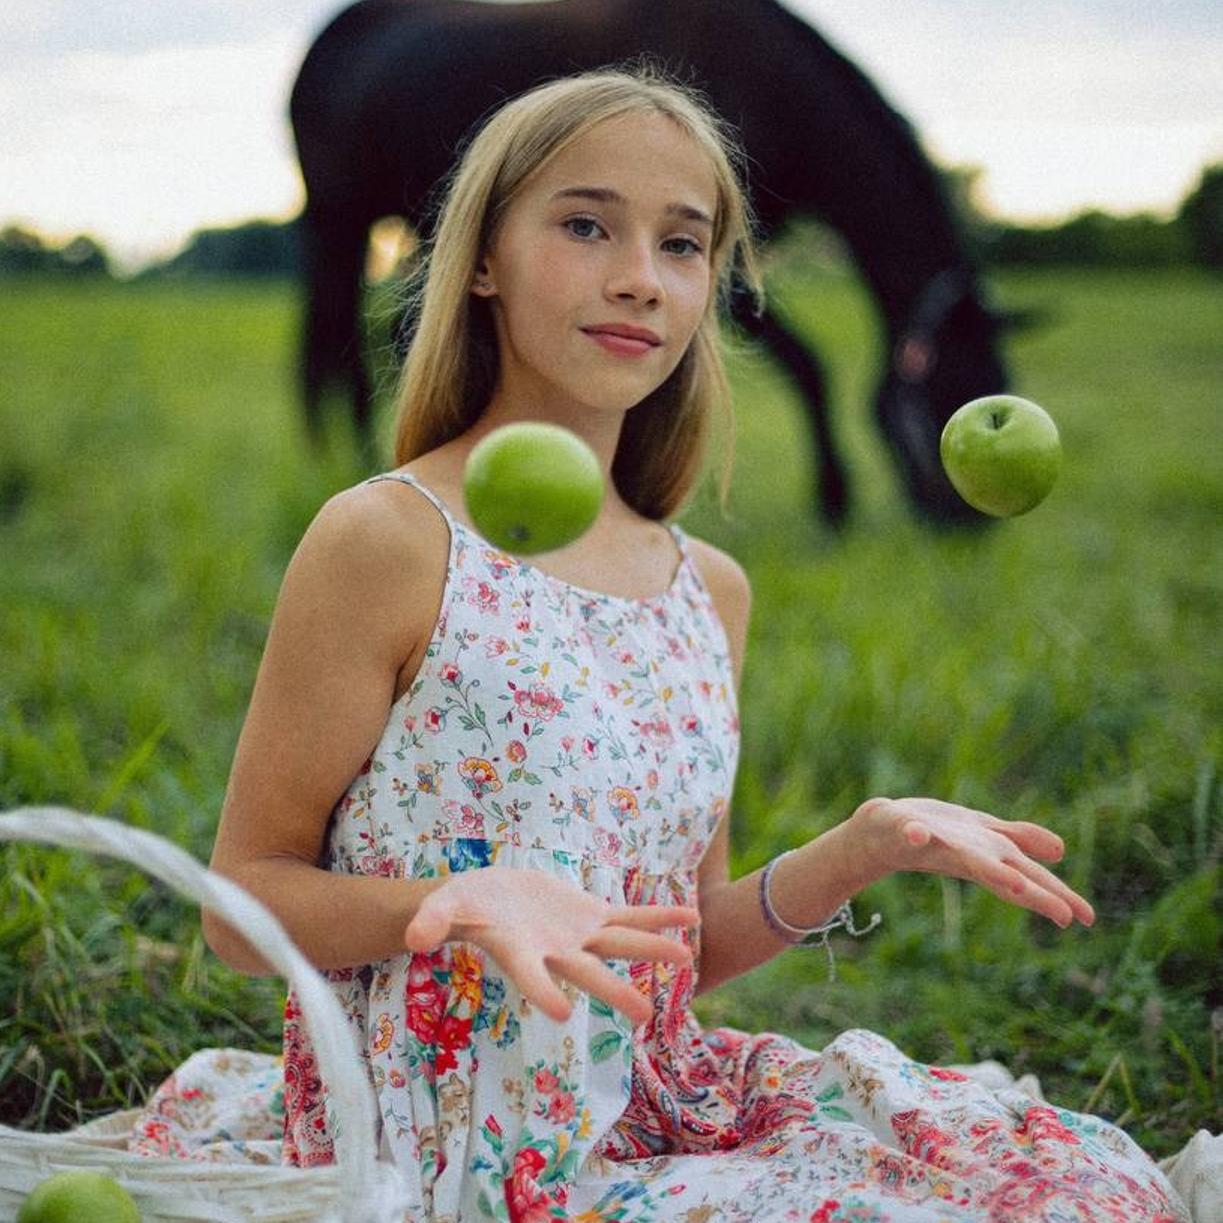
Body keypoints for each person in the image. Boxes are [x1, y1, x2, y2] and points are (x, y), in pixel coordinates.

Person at [171, 68, 1186, 1221]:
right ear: (484, 259)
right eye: (585, 225)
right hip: (446, 1140)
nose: (638, 279)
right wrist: (453, 901)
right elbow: (237, 906)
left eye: (681, 243)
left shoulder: (706, 588)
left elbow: (675, 954)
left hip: (656, 1104)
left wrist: (861, 844)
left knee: (1069, 1184)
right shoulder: (390, 539)